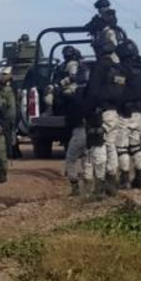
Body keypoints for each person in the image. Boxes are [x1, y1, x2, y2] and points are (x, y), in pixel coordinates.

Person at [84, 38, 126, 196]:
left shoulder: (100, 66)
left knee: (98, 146)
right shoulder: (118, 68)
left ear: (99, 50)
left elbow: (93, 91)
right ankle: (111, 182)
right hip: (114, 112)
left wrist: (87, 109)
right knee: (111, 146)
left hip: (100, 112)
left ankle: (100, 186)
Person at [56, 46, 92, 196]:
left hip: (79, 130)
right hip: (91, 130)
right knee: (87, 159)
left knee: (71, 160)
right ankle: (89, 189)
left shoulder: (75, 97)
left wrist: (59, 88)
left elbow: (72, 118)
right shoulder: (91, 95)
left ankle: (76, 189)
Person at [117, 40, 141, 189]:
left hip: (124, 111)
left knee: (122, 147)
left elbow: (117, 88)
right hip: (138, 111)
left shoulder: (122, 69)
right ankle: (140, 177)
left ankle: (124, 179)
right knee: (136, 146)